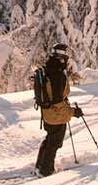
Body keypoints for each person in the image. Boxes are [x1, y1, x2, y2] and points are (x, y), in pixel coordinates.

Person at [34, 43, 83, 177]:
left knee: (50, 139)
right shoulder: (57, 74)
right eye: (66, 55)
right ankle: (45, 171)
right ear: (63, 56)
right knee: (54, 143)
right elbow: (58, 103)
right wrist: (73, 112)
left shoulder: (49, 68)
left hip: (47, 114)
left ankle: (40, 166)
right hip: (55, 115)